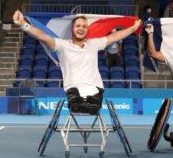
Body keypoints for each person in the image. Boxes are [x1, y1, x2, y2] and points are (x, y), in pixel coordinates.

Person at [13, 10, 141, 108]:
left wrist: (133, 28)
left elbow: (114, 37)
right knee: (77, 106)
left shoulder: (94, 44)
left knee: (92, 107)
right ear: (72, 29)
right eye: (78, 26)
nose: (81, 28)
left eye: (84, 26)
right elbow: (43, 36)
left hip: (95, 92)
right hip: (73, 93)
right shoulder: (62, 45)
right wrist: (24, 24)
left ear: (87, 29)